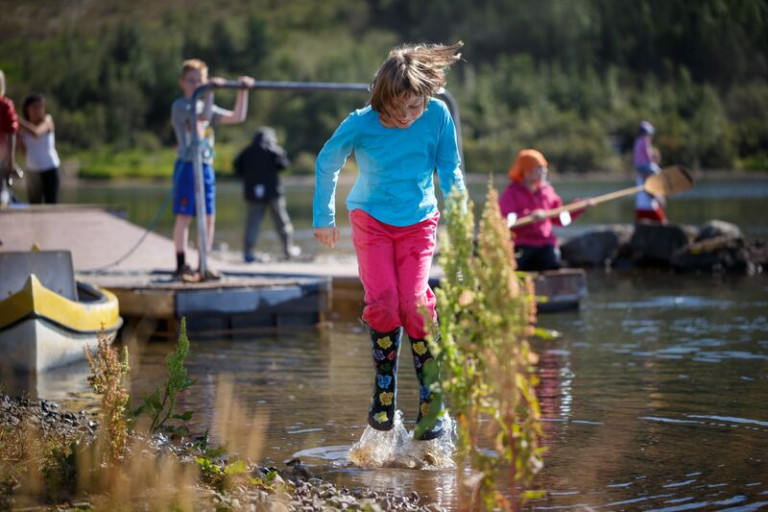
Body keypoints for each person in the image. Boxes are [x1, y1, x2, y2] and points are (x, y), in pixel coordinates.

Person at [313, 41, 466, 441]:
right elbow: (327, 162)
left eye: (415, 106)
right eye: (398, 107)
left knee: (414, 303)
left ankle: (432, 399)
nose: (407, 115)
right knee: (382, 302)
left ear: (426, 96)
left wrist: (461, 219)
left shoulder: (438, 115)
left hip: (419, 220)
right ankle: (384, 391)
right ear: (383, 97)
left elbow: (450, 170)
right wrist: (323, 217)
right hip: (371, 219)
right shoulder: (361, 123)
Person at [170, 58, 255, 280]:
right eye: (191, 80)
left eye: (200, 81)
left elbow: (237, 117)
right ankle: (181, 264)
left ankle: (204, 264)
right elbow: (204, 116)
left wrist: (243, 91)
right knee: (184, 216)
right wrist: (209, 93)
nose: (196, 85)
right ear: (182, 83)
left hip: (205, 166)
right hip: (187, 166)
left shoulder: (206, 105)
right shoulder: (181, 106)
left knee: (209, 217)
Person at [499, 149, 590, 272]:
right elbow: (507, 220)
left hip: (545, 245)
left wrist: (578, 208)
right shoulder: (511, 193)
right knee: (518, 266)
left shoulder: (548, 191)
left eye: (545, 167)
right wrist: (530, 216)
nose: (545, 171)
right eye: (540, 168)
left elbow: (562, 220)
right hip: (521, 245)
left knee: (552, 262)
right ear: (527, 172)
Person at [233, 127, 301, 262]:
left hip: (253, 193)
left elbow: (237, 167)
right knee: (281, 221)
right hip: (273, 192)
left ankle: (248, 253)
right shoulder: (273, 150)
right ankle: (288, 249)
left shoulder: (246, 152)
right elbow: (284, 165)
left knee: (252, 223)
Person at [18, 93, 61, 204]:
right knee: (34, 205)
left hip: (50, 169)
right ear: (27, 109)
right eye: (35, 107)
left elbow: (36, 132)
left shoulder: (47, 120)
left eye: (41, 107)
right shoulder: (23, 130)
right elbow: (24, 153)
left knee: (51, 204)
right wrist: (17, 136)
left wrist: (17, 119)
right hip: (32, 171)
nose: (38, 110)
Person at [633, 120, 667, 224]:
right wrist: (659, 198)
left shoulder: (637, 141)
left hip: (642, 207)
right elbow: (648, 186)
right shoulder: (649, 169)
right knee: (663, 225)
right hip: (648, 207)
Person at [0, 69, 19, 208]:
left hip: (1, 153)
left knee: (1, 187)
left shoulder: (5, 105)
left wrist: (11, 158)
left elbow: (12, 131)